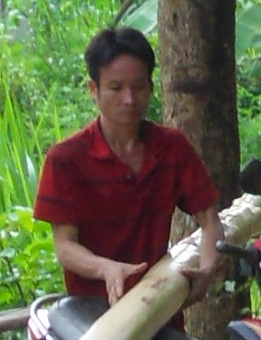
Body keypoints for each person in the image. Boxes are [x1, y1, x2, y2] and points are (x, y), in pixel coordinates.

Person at [34, 25, 221, 304]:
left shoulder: (172, 147)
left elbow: (210, 221)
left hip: (159, 306)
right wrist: (106, 269)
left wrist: (206, 270)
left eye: (139, 86)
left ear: (151, 87)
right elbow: (64, 246)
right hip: (93, 315)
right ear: (94, 90)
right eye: (116, 88)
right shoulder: (65, 159)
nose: (129, 99)